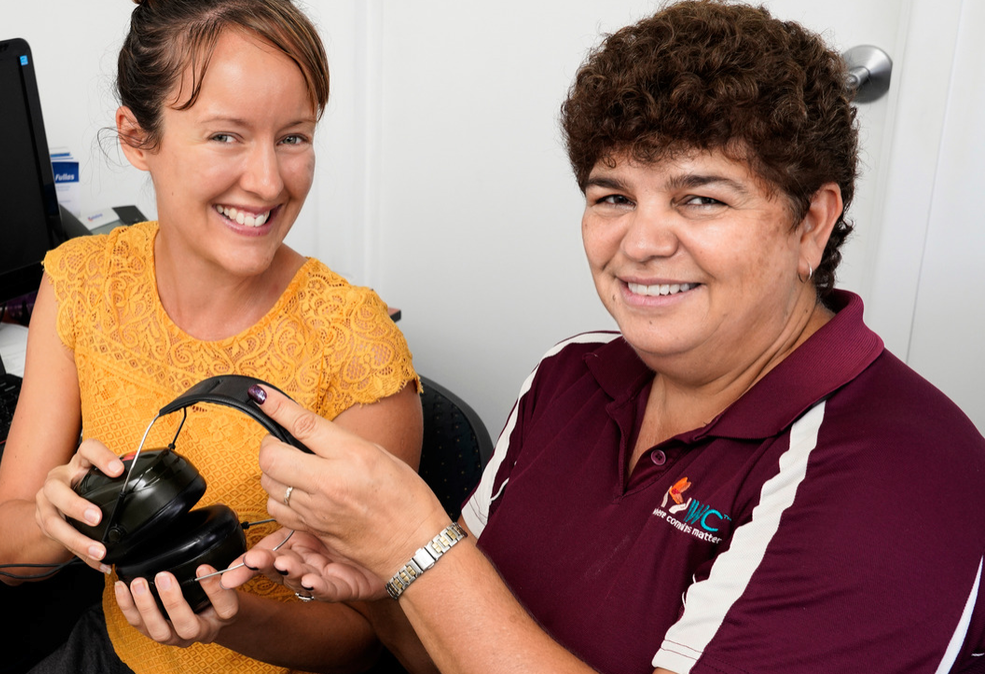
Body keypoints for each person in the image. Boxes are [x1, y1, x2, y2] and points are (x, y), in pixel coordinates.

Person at [227, 1, 985, 673]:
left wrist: (415, 549)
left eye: (701, 197)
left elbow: (440, 578)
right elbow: (452, 649)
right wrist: (388, 584)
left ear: (811, 223)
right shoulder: (570, 376)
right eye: (613, 195)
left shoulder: (897, 472)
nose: (641, 242)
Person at [0, 1, 423, 673]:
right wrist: (60, 520)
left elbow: (367, 636)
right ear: (138, 139)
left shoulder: (357, 347)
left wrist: (229, 618)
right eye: (226, 136)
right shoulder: (79, 281)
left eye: (295, 137)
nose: (269, 181)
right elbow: (7, 559)